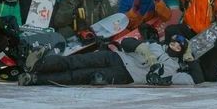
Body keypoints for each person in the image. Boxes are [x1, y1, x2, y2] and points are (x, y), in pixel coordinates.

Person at [18, 32, 203, 86]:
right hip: (115, 56)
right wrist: (145, 51)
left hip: (124, 74)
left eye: (180, 47)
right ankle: (35, 65)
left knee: (78, 75)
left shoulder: (173, 68)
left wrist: (189, 58)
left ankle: (35, 79)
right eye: (174, 43)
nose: (175, 46)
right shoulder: (154, 45)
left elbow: (197, 79)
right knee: (75, 61)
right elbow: (128, 41)